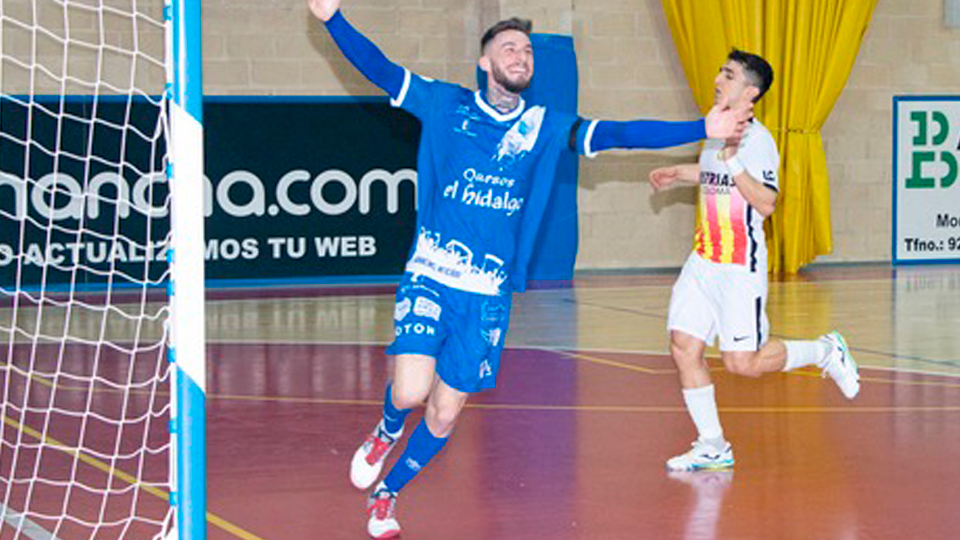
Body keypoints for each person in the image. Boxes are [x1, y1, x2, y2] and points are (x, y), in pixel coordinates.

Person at [308, 1, 752, 537]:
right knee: (409, 392)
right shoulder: (445, 104)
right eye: (509, 48)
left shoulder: (543, 125)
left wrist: (699, 126)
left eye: (527, 51)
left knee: (445, 414)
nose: (521, 56)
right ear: (483, 62)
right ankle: (384, 430)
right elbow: (379, 68)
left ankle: (387, 494)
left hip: (487, 294)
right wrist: (333, 20)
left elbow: (617, 133)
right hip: (431, 274)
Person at [648, 49, 860, 473]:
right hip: (703, 260)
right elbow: (715, 175)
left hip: (738, 267)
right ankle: (712, 445)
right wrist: (678, 172)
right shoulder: (716, 129)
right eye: (720, 70)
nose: (717, 78)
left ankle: (824, 350)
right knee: (683, 345)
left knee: (742, 363)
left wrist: (735, 160)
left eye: (727, 74)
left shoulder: (757, 141)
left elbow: (765, 203)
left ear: (751, 91)